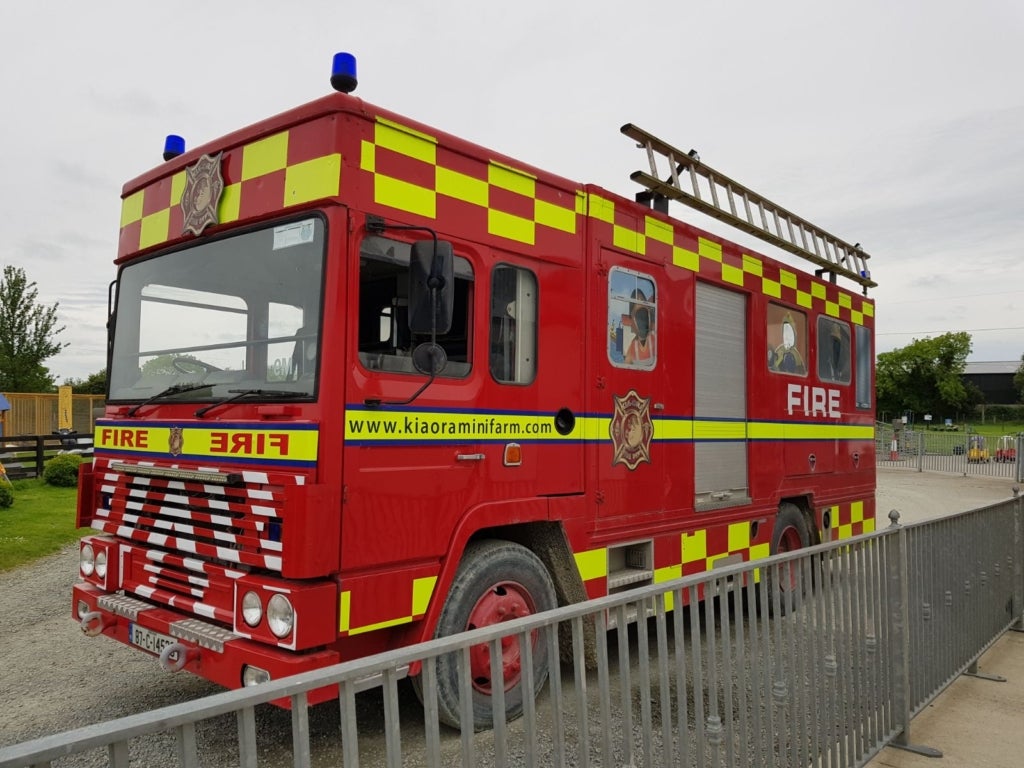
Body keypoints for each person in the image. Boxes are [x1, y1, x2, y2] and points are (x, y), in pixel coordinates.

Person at [624, 290, 655, 366]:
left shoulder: (655, 337)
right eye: (639, 316)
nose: (643, 321)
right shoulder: (632, 347)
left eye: (644, 314)